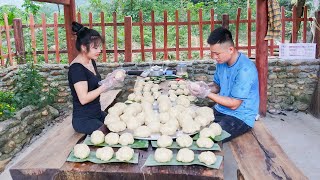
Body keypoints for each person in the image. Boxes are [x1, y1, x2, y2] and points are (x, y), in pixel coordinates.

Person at [188, 27, 259, 142]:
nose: (214, 57)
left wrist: (206, 93)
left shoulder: (245, 69)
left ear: (230, 49)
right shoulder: (222, 62)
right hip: (221, 109)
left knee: (208, 138)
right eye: (212, 53)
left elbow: (234, 104)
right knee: (192, 126)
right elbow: (217, 86)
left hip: (240, 117)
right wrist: (204, 87)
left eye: (217, 53)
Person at [68, 21, 124, 135]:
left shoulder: (91, 61)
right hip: (84, 120)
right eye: (95, 47)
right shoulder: (77, 69)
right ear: (84, 47)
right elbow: (83, 99)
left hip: (97, 113)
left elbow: (95, 85)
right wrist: (105, 86)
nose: (99, 50)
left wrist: (111, 78)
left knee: (120, 125)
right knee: (111, 135)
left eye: (99, 47)